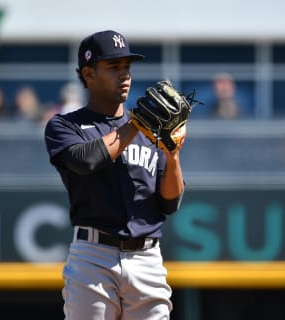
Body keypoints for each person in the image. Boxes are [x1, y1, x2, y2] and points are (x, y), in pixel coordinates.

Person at [44, 30, 185, 320]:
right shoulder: (65, 126)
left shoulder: (148, 129)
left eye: (127, 67)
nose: (125, 75)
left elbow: (170, 203)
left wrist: (173, 155)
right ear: (89, 73)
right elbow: (86, 160)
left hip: (147, 257)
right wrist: (136, 124)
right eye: (113, 67)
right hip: (93, 258)